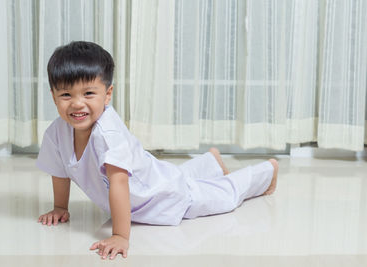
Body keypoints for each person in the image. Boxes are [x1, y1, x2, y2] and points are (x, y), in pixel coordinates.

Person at [36, 41, 279, 260]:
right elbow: (60, 171)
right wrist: (61, 207)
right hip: (152, 176)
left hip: (162, 196)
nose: (77, 103)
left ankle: (265, 173)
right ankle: (210, 163)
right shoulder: (56, 133)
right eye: (66, 95)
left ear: (107, 94)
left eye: (89, 93)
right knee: (173, 175)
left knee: (219, 196)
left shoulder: (108, 136)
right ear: (54, 96)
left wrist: (121, 235)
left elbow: (119, 183)